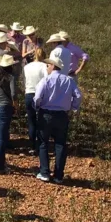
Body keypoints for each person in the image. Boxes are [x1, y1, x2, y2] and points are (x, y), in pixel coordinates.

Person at [34, 56, 82, 184]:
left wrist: (37, 107)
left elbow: (38, 97)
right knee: (60, 144)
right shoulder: (69, 80)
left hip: (46, 114)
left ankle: (44, 172)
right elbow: (78, 95)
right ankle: (58, 175)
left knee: (43, 143)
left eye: (48, 65)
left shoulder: (46, 80)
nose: (47, 67)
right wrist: (73, 107)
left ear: (53, 66)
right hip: (62, 115)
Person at [23, 48, 48, 155]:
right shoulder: (44, 66)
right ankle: (41, 145)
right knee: (41, 121)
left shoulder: (26, 67)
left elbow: (24, 80)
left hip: (29, 93)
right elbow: (47, 80)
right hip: (40, 94)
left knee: (31, 121)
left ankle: (31, 146)